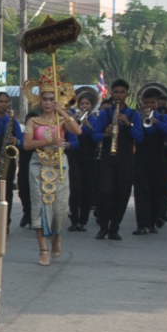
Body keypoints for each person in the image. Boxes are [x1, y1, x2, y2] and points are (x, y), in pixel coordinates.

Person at [26, 89, 82, 264]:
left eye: (52, 99)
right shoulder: (33, 121)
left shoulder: (61, 120)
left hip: (59, 165)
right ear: (40, 101)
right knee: (39, 206)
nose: (48, 103)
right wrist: (50, 141)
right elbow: (27, 144)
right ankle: (43, 250)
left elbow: (78, 131)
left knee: (59, 208)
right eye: (45, 99)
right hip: (39, 165)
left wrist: (62, 112)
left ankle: (57, 235)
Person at [87, 79, 143, 240]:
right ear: (111, 93)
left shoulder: (133, 114)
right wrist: (106, 133)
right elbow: (95, 136)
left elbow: (140, 138)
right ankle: (103, 226)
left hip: (126, 159)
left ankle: (114, 228)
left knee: (122, 193)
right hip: (107, 158)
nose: (118, 95)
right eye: (116, 92)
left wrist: (128, 124)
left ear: (127, 94)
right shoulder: (105, 114)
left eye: (122, 92)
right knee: (105, 191)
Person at [134, 84, 167, 233]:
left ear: (157, 104)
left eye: (152, 103)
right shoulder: (137, 117)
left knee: (156, 191)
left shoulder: (164, 118)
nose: (149, 106)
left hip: (159, 159)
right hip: (141, 159)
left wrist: (156, 123)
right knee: (141, 192)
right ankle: (142, 225)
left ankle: (152, 223)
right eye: (146, 103)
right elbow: (138, 138)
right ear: (142, 104)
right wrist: (142, 123)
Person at [0, 91, 31, 228]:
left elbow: (23, 142)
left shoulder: (13, 121)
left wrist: (16, 141)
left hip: (8, 161)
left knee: (7, 193)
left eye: (6, 102)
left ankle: (5, 223)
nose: (4, 104)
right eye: (1, 101)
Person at [67, 87, 99, 230]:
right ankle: (74, 219)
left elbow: (96, 136)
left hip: (89, 156)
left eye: (87, 104)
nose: (84, 106)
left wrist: (88, 125)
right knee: (75, 188)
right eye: (82, 104)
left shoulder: (94, 119)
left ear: (91, 106)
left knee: (87, 188)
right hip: (75, 156)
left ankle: (83, 220)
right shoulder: (74, 117)